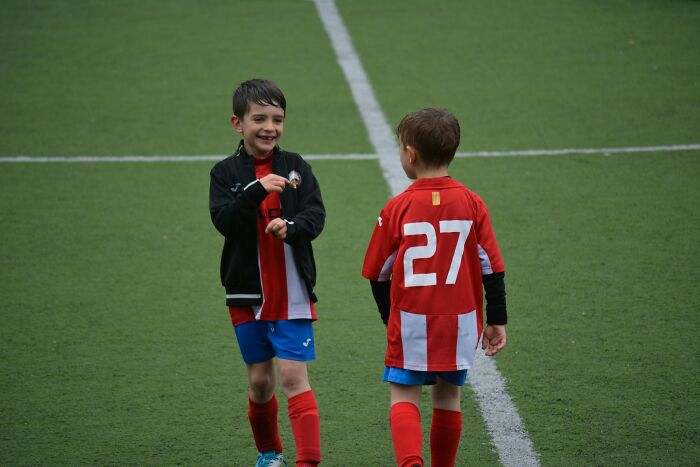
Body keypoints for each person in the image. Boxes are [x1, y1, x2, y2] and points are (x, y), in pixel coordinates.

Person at [361, 108, 508, 467]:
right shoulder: (473, 203)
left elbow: (377, 272)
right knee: (448, 396)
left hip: (412, 319)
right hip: (461, 320)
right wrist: (497, 318)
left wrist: (389, 318)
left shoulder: (398, 207)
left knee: (404, 395)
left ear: (410, 154)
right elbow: (492, 267)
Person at [209, 79, 325, 467]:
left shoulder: (296, 166)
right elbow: (225, 221)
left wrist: (290, 229)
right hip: (245, 294)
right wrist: (255, 190)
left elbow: (315, 216)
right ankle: (269, 454)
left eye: (277, 118)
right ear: (237, 123)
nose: (269, 127)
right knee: (260, 382)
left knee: (293, 379)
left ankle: (307, 461)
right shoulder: (224, 173)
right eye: (259, 118)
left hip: (291, 292)